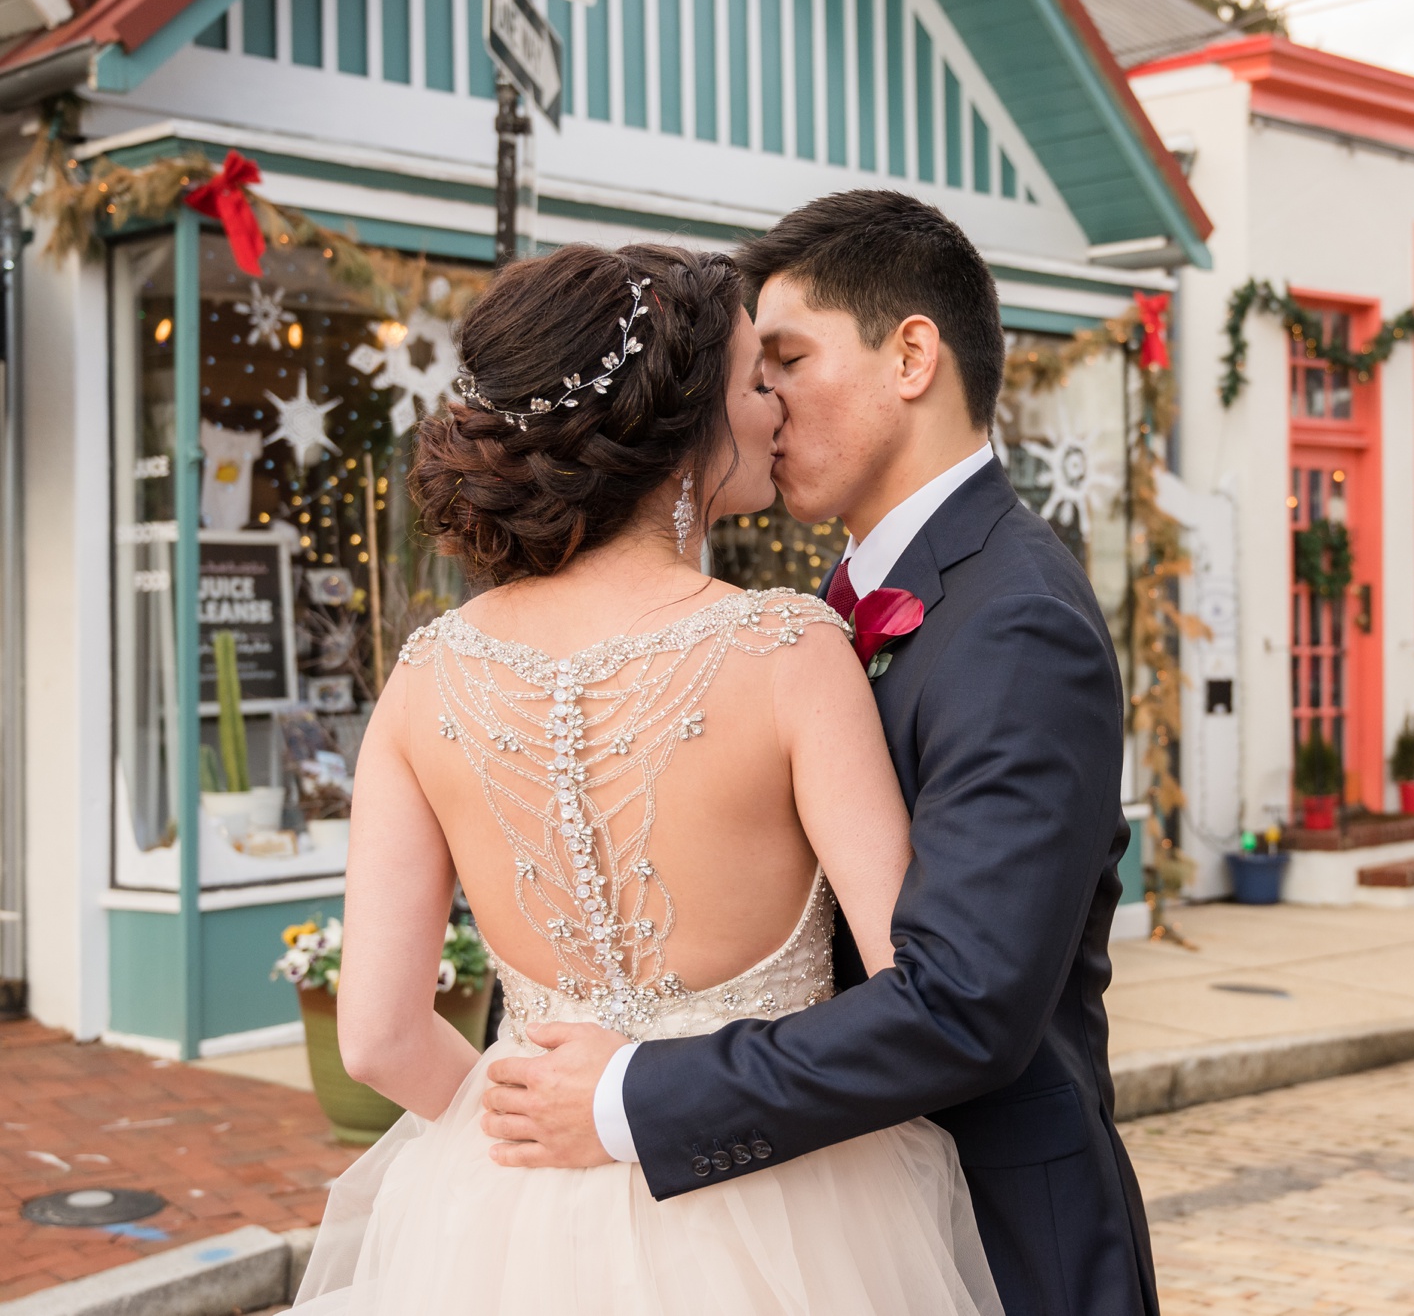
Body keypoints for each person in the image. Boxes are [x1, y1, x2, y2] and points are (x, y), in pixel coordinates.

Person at [287, 241, 1001, 1314]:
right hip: (788, 1206)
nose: (774, 410)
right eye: (754, 381)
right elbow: (918, 988)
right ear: (681, 427)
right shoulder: (787, 649)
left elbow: (380, 1036)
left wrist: (524, 1133)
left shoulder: (426, 676)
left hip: (506, 1228)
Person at [480, 191, 1160, 1315]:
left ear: (910, 356)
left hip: (992, 1244)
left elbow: (963, 1004)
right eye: (757, 371)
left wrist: (628, 1093)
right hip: (813, 1224)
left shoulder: (1015, 617)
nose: (759, 401)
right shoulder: (815, 612)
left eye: (787, 358)